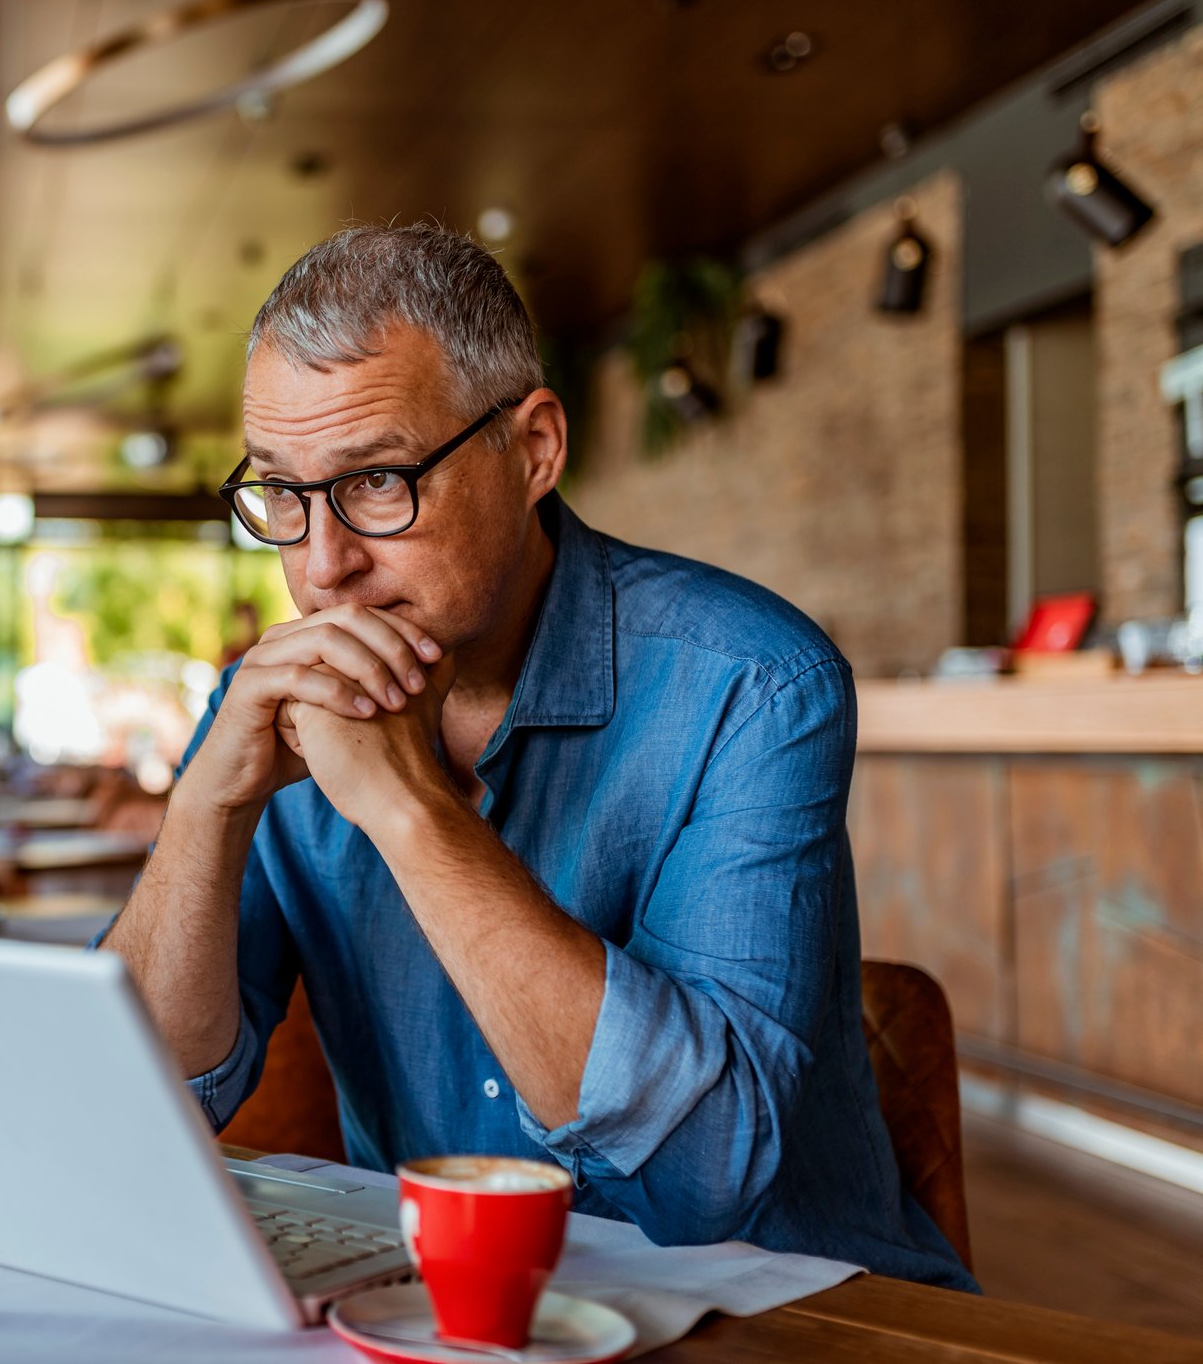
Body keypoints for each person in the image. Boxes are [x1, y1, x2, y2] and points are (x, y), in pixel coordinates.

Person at [100, 223, 975, 1290]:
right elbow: (138, 1109)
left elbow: (703, 1183)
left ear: (534, 450)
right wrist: (204, 807)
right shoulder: (273, 705)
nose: (323, 565)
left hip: (781, 1317)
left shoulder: (750, 683)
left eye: (377, 479)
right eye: (282, 492)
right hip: (450, 1314)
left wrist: (412, 812)